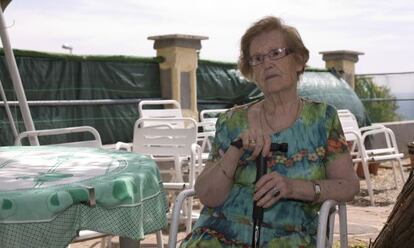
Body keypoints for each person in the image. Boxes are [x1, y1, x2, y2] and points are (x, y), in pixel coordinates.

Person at [180, 16, 360, 247]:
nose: (267, 64)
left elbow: (348, 186)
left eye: (276, 53)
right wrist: (235, 150)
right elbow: (207, 195)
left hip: (288, 235)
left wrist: (293, 187)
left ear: (298, 60)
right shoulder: (232, 121)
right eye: (257, 59)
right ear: (251, 71)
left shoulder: (322, 120)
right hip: (219, 233)